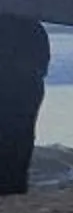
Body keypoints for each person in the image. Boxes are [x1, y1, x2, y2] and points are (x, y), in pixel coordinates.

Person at [0, 16, 46, 197]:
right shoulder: (31, 24)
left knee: (18, 137)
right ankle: (15, 185)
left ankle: (13, 185)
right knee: (21, 138)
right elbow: (42, 61)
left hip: (21, 84)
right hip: (27, 85)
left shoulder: (29, 25)